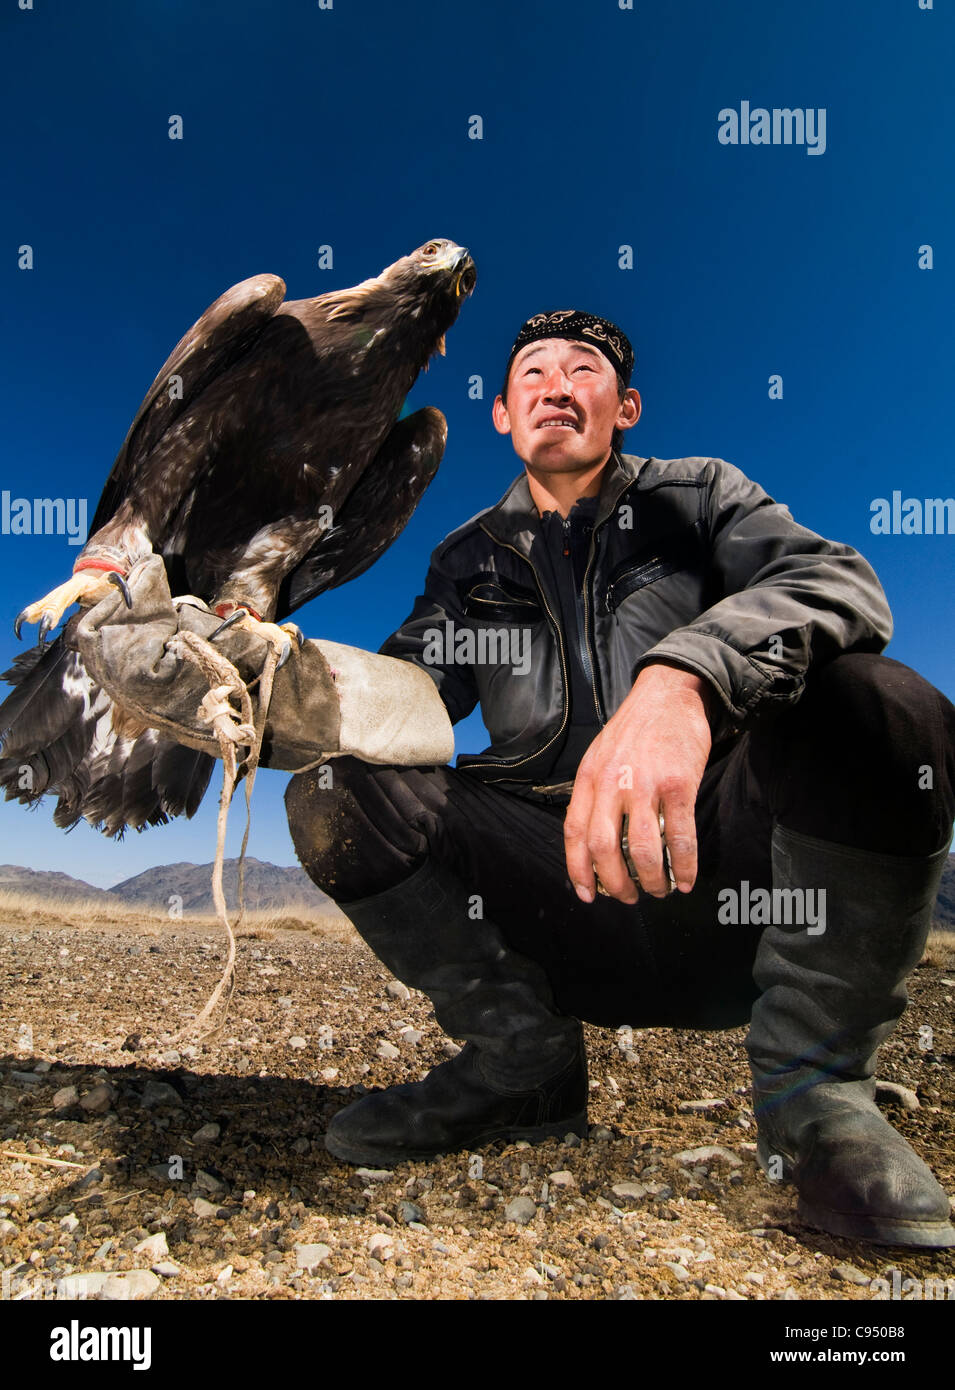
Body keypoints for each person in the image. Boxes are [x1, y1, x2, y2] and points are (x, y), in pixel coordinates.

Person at [284, 309, 955, 1248]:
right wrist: (274, 684)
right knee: (338, 787)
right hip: (555, 902)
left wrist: (684, 680)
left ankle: (819, 1098)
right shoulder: (467, 559)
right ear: (502, 416)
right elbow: (406, 697)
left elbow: (837, 584)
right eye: (532, 373)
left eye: (583, 369)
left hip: (733, 893)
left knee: (880, 703)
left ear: (624, 405)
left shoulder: (703, 496)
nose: (555, 386)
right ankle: (521, 1068)